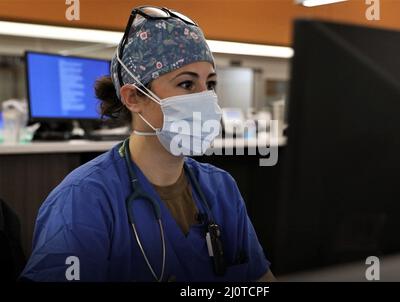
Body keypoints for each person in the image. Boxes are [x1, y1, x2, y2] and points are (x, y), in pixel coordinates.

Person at [21, 5, 275, 282]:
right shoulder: (83, 199)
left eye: (210, 84)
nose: (206, 100)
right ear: (133, 98)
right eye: (187, 85)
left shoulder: (220, 188)